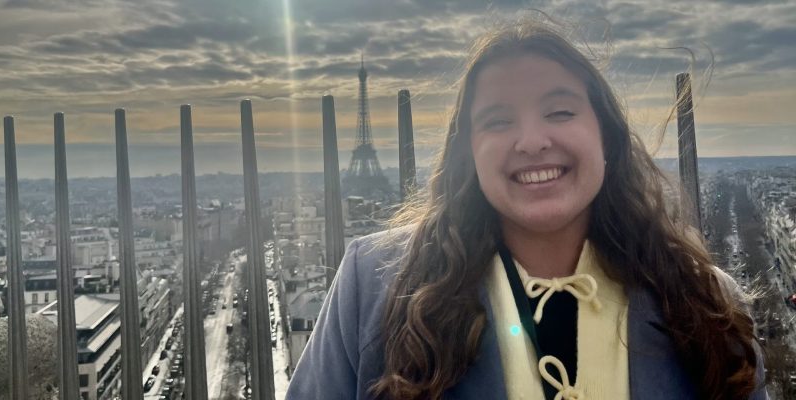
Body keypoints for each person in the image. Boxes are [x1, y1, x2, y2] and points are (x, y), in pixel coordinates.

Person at [286, 20, 767, 400]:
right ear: (468, 153)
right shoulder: (369, 287)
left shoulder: (707, 303)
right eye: (498, 120)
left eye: (560, 112)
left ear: (607, 137)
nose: (533, 142)